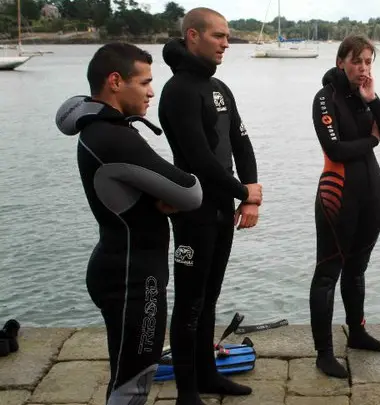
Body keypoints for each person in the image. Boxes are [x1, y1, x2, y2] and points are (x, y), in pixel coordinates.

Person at [54, 42, 204, 405]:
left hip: (122, 266)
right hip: (134, 281)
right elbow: (190, 191)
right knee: (133, 384)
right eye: (145, 82)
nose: (152, 91)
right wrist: (164, 194)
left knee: (128, 373)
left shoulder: (101, 128)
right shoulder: (114, 137)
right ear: (116, 81)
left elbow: (145, 187)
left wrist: (153, 196)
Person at [157, 7, 262, 405]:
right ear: (193, 36)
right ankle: (187, 392)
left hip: (221, 209)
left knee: (210, 299)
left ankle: (208, 376)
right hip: (193, 212)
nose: (226, 42)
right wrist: (244, 194)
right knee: (189, 303)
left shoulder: (219, 89)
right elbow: (198, 158)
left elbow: (242, 142)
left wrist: (250, 189)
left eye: (227, 35)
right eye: (218, 35)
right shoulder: (178, 91)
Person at [309, 34, 380, 378]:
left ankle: (358, 332)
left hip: (370, 195)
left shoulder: (365, 98)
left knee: (357, 268)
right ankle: (323, 353)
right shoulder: (325, 99)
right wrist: (371, 139)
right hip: (337, 195)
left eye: (368, 61)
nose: (363, 67)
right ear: (341, 62)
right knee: (327, 273)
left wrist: (373, 100)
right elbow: (337, 151)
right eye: (357, 61)